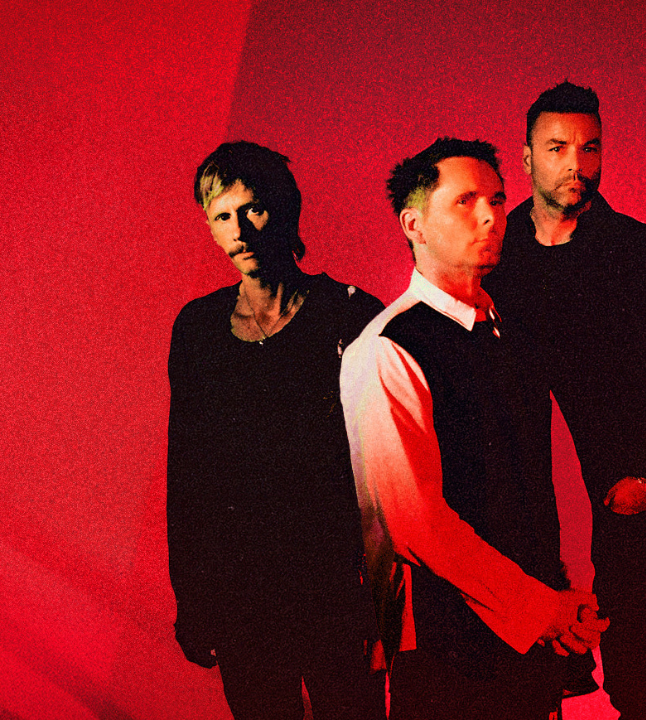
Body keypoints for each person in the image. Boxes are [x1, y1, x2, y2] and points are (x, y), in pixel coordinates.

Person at [340, 137, 609, 720]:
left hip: (532, 639)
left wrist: (566, 596)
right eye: (465, 200)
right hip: (448, 648)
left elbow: (547, 479)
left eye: (498, 199)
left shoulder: (509, 333)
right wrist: (541, 609)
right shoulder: (387, 347)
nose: (490, 216)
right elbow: (416, 524)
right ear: (414, 224)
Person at [482, 82, 646, 720]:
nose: (576, 164)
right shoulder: (493, 252)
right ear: (526, 158)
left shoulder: (644, 252)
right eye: (557, 148)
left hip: (617, 498)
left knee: (638, 682)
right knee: (528, 686)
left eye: (590, 148)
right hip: (523, 507)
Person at [166, 141, 386, 720]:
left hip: (336, 589)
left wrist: (383, 599)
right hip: (244, 597)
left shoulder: (351, 314)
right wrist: (193, 598)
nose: (239, 231)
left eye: (253, 209)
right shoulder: (197, 329)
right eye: (221, 216)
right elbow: (188, 475)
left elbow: (385, 474)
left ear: (286, 209)